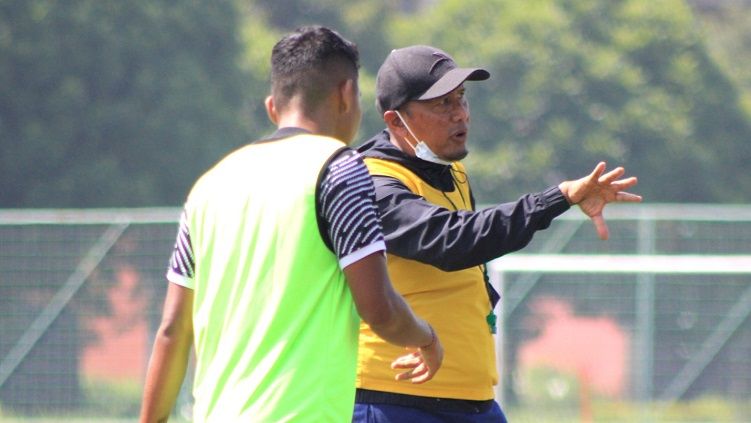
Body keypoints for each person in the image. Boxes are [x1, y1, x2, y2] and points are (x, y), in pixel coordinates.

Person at [139, 28, 444, 423]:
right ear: (347, 94)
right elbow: (380, 310)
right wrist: (427, 337)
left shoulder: (208, 185)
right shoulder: (340, 169)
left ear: (272, 107)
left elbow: (172, 331)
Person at [352, 45, 642, 422]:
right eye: (441, 104)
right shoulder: (373, 182)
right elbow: (452, 241)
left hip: (472, 400)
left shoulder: (451, 171)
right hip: (395, 401)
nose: (460, 113)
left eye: (461, 98)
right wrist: (558, 197)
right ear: (395, 121)